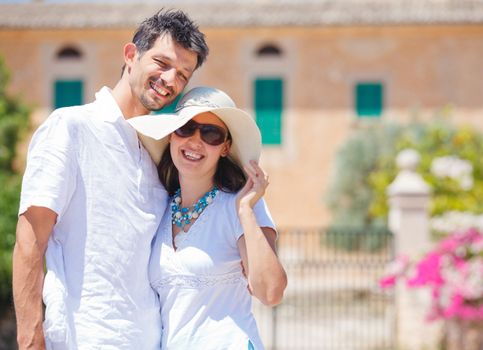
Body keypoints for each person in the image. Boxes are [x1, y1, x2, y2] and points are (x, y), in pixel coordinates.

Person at [12, 10, 208, 350]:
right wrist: (30, 340)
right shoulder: (70, 128)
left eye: (182, 74)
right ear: (131, 55)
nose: (170, 79)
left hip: (150, 341)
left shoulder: (159, 153)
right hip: (83, 339)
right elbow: (30, 240)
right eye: (161, 63)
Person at [128, 86, 288, 349]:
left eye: (211, 134)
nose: (195, 141)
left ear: (225, 147)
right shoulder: (159, 209)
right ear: (171, 136)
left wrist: (246, 212)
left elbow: (270, 292)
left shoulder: (240, 205)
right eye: (186, 128)